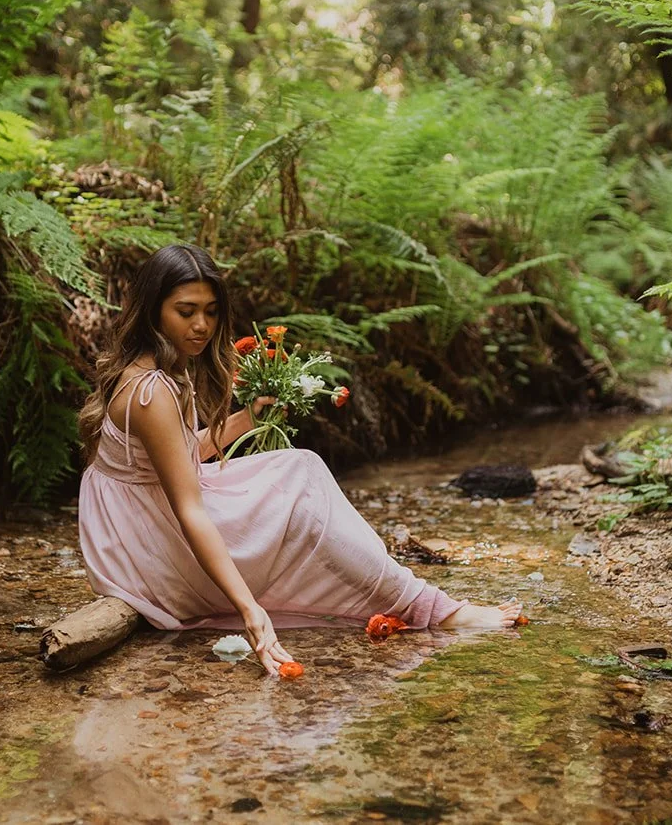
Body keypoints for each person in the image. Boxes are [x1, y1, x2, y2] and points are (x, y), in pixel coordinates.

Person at [76, 243, 522, 677]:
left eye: (211, 311)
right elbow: (187, 508)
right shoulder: (152, 392)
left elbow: (179, 455)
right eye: (186, 311)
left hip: (140, 521)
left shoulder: (156, 370)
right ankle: (432, 609)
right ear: (153, 309)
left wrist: (247, 418)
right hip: (147, 544)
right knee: (299, 490)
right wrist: (250, 609)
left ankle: (415, 599)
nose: (202, 325)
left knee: (298, 467)